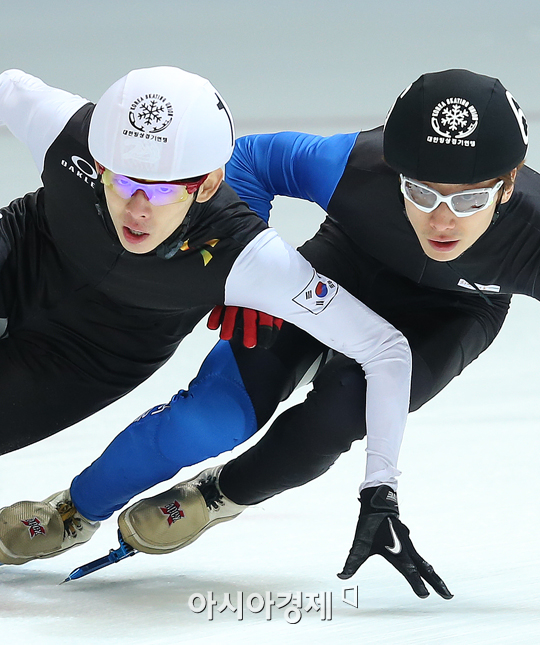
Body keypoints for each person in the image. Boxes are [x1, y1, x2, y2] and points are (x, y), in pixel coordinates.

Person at [0, 66, 413, 576]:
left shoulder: (250, 258)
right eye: (123, 181)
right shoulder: (70, 132)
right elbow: (9, 84)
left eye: (161, 192)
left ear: (209, 182)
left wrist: (381, 488)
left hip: (89, 357)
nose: (136, 209)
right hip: (19, 256)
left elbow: (384, 348)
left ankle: (71, 515)